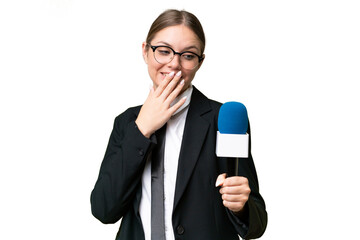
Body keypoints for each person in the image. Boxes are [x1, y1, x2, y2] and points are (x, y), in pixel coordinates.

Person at [91, 9, 267, 240]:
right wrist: (142, 129)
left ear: (199, 62)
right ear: (145, 51)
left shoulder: (222, 120)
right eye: (163, 51)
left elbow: (257, 223)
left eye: (188, 55)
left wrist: (241, 206)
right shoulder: (126, 123)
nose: (174, 64)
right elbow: (104, 209)